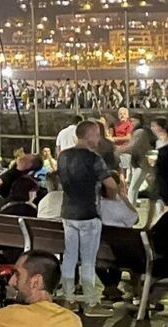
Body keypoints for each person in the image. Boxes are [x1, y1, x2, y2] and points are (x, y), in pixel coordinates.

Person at [58, 120, 120, 316]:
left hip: (68, 211)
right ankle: (91, 302)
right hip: (88, 213)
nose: (99, 138)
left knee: (69, 257)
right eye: (97, 134)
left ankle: (68, 299)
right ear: (90, 135)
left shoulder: (63, 157)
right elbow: (111, 185)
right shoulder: (94, 159)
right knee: (87, 260)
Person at [116, 114, 154, 206]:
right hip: (139, 163)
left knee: (133, 189)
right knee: (136, 189)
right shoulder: (139, 131)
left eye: (133, 121)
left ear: (139, 121)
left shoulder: (140, 132)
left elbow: (132, 146)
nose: (132, 123)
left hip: (141, 163)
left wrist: (118, 150)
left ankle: (130, 210)